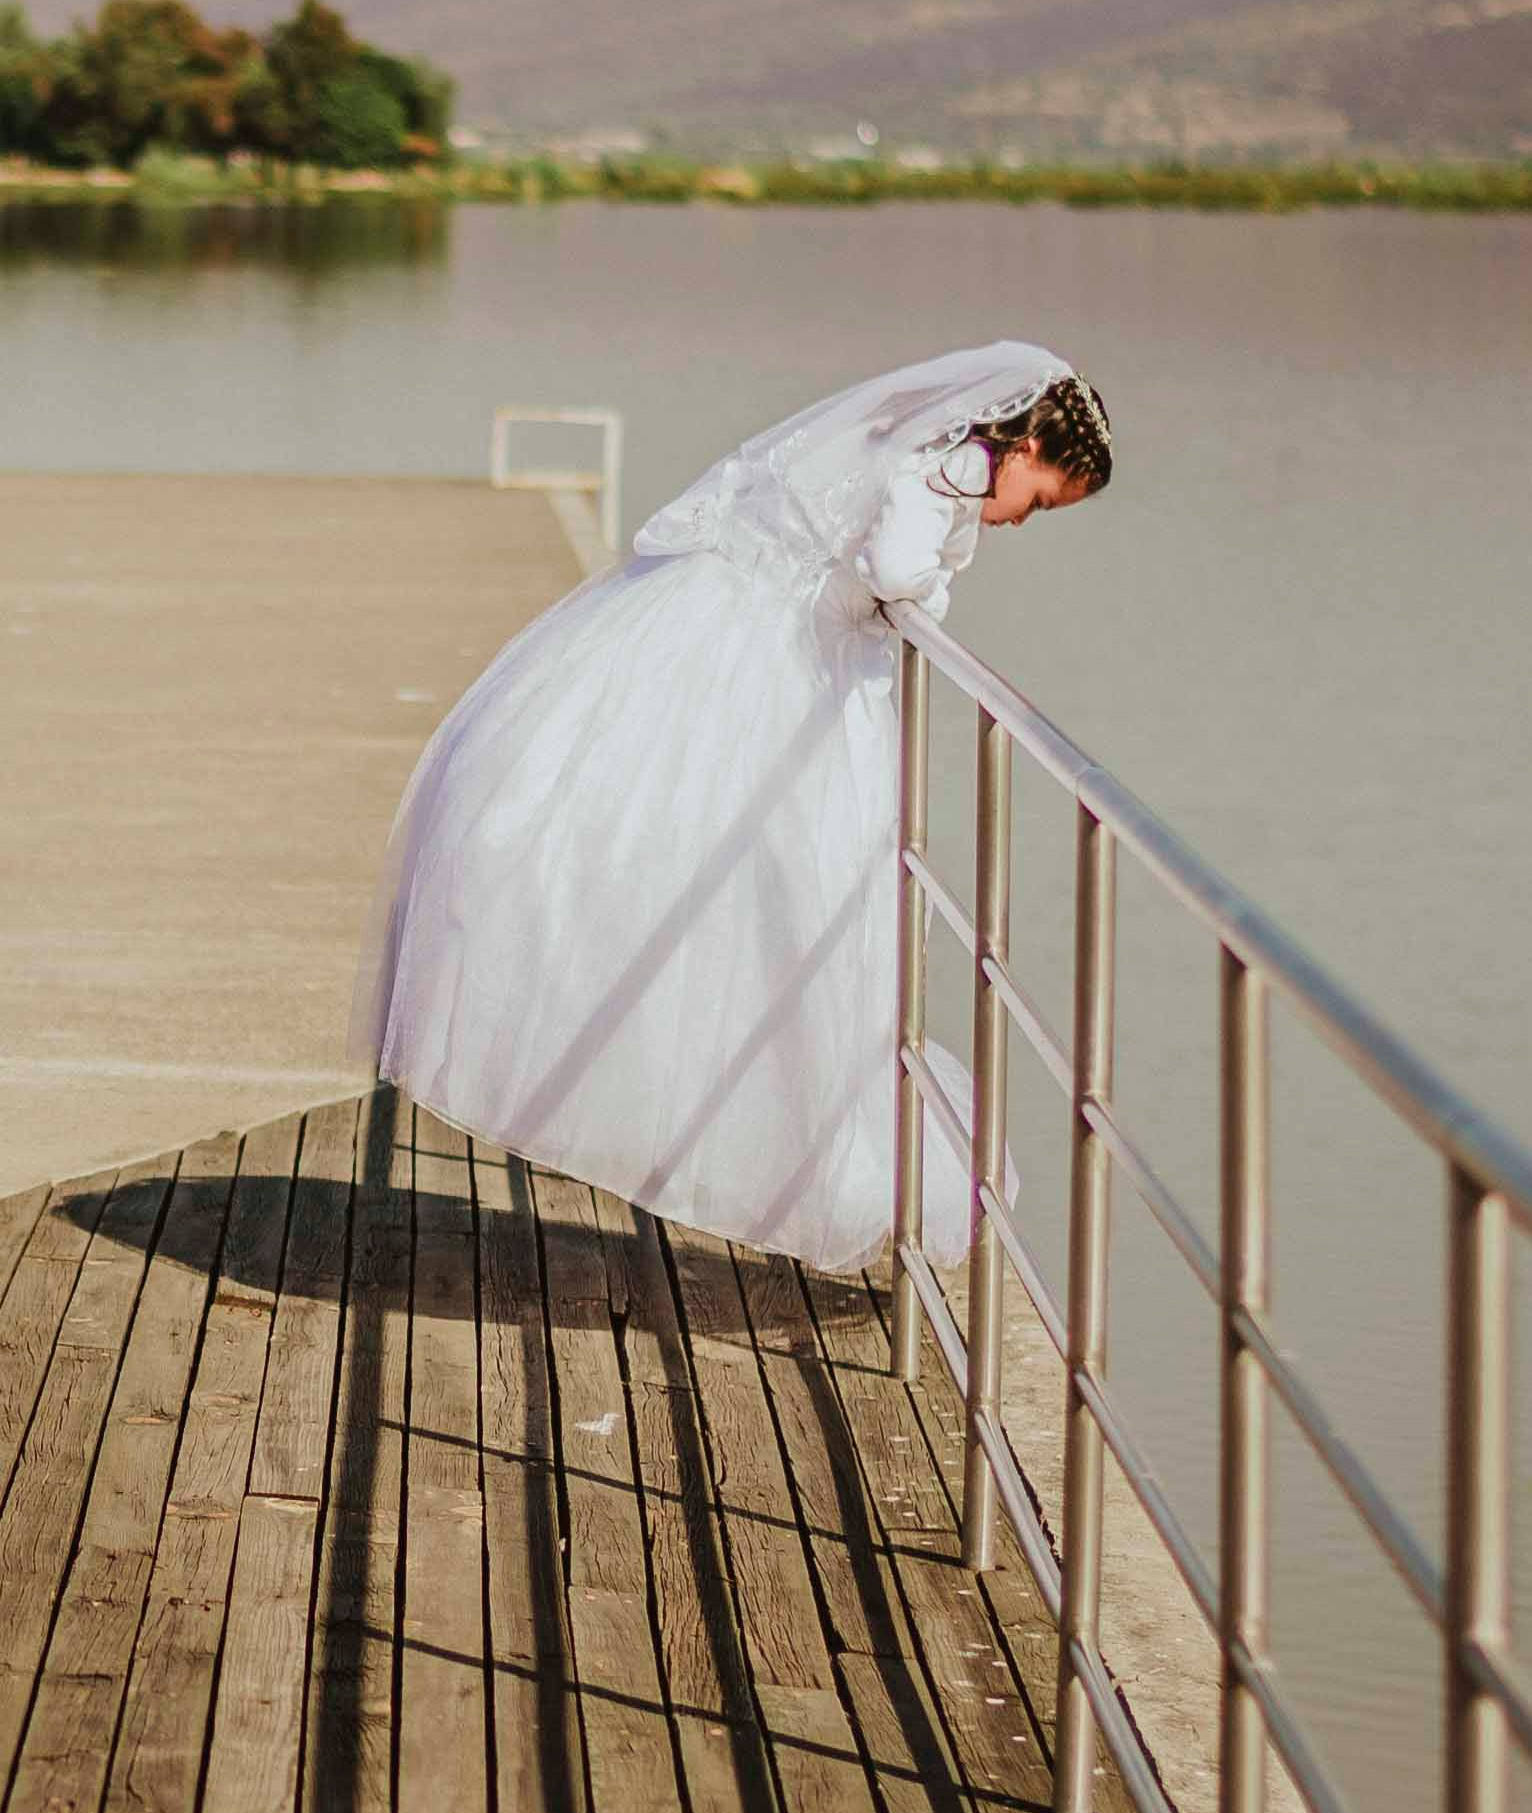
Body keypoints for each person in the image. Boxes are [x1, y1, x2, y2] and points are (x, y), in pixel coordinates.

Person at [366, 342, 1113, 1267]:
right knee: (783, 891)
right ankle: (764, 1133)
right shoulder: (948, 467)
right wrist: (923, 593)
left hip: (769, 635)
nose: (1024, 521)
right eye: (1038, 499)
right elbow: (892, 565)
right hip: (772, 660)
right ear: (1025, 444)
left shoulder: (933, 457)